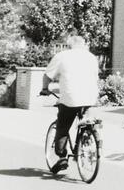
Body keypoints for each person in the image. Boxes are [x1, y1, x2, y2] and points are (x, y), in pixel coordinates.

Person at [41, 35, 100, 173]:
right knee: (86, 118)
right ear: (83, 45)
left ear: (69, 46)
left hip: (70, 98)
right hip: (90, 97)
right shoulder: (91, 57)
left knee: (62, 126)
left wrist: (45, 88)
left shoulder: (62, 56)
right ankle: (86, 139)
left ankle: (62, 157)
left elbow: (47, 76)